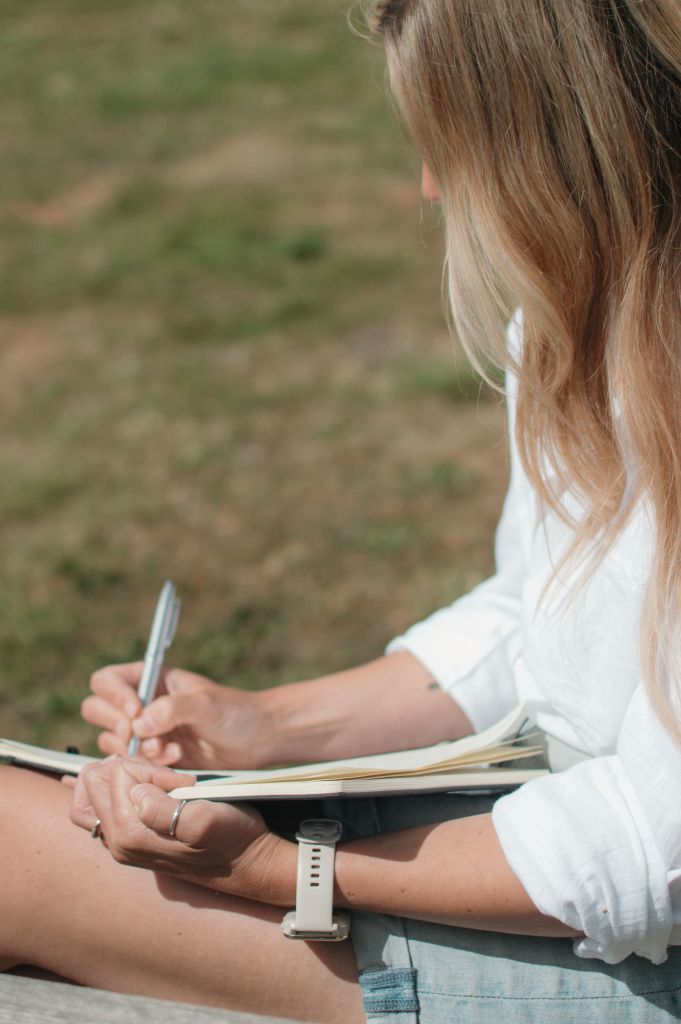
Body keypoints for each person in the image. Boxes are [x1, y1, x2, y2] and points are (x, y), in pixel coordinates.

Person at [2, 0, 681, 1021]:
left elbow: (646, 850)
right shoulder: (564, 328)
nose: (430, 184)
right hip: (559, 850)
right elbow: (534, 609)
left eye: (452, 146)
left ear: (555, 145)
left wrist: (287, 874)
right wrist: (262, 725)